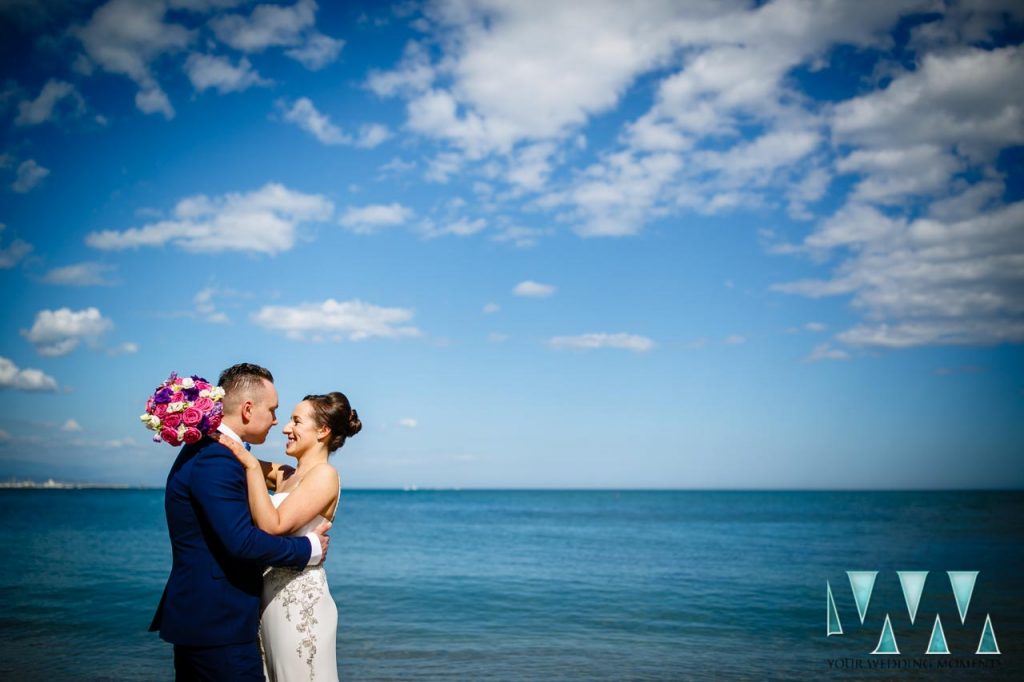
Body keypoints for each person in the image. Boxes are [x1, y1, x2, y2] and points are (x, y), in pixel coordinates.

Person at [150, 363, 332, 681]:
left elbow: (278, 478)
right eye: (273, 411)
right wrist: (309, 548)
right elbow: (242, 542)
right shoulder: (216, 459)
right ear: (248, 409)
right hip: (218, 626)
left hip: (208, 622)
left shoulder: (215, 452)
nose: (277, 422)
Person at [217, 391, 360, 682]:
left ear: (323, 430)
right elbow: (229, 451)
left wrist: (250, 465)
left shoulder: (324, 475)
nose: (285, 428)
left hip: (300, 601)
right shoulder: (284, 474)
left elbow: (274, 525)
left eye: (296, 421)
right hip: (268, 598)